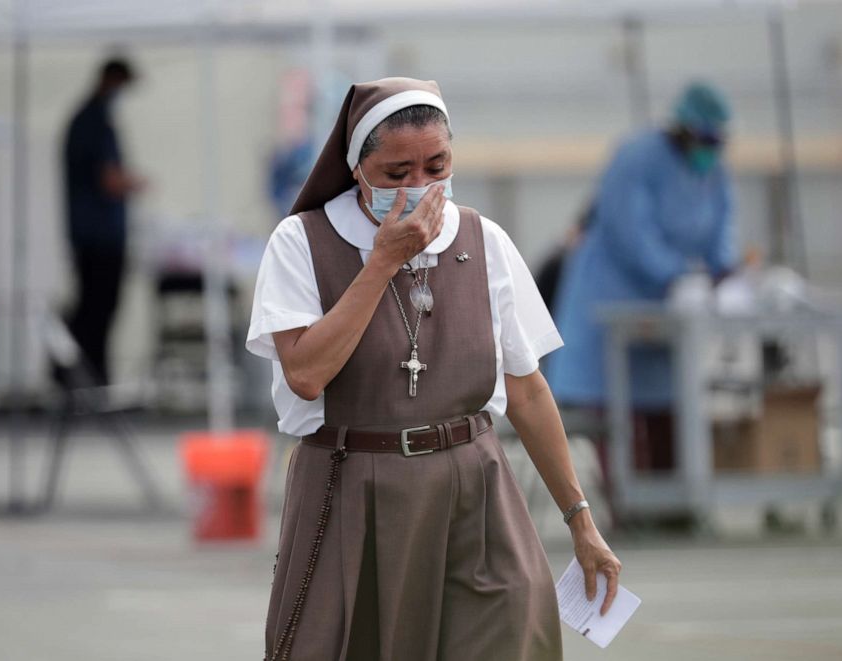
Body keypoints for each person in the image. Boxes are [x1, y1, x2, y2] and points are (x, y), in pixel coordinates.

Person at [246, 78, 621, 660]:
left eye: (436, 165)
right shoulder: (302, 242)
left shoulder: (483, 240)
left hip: (477, 490)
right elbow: (306, 373)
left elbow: (525, 391)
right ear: (357, 170)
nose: (419, 187)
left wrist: (581, 522)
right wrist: (383, 262)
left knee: (510, 633)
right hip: (357, 488)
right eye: (396, 173)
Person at [547, 82, 737, 478]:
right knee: (615, 411)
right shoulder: (637, 157)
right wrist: (675, 274)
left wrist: (723, 274)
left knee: (669, 407)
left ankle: (674, 505)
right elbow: (629, 230)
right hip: (612, 295)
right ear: (682, 129)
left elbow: (721, 224)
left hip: (668, 308)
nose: (708, 149)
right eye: (703, 138)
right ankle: (629, 508)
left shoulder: (712, 169)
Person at [61, 57, 145, 385]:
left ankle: (85, 379)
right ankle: (85, 379)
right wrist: (133, 183)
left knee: (94, 311)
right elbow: (108, 179)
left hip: (95, 235)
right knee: (96, 312)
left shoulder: (91, 119)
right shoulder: (92, 122)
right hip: (98, 238)